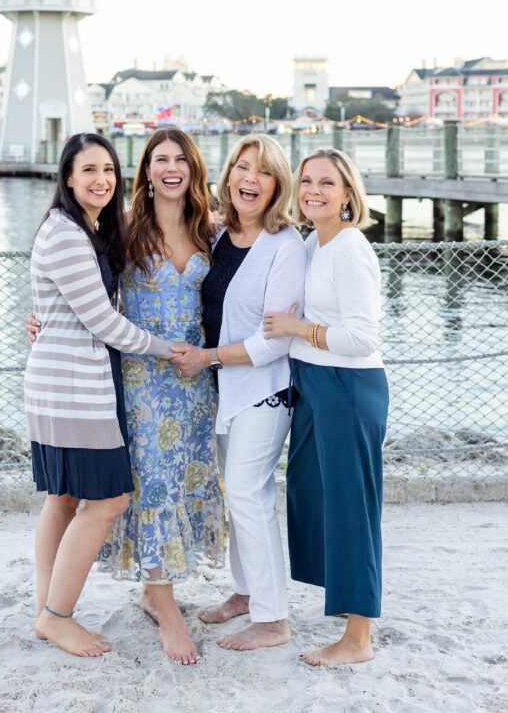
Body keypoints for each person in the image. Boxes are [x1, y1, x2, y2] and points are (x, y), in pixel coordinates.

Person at [26, 133, 175, 659]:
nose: (101, 180)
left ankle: (48, 609)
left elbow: (68, 307)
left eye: (109, 170)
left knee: (63, 497)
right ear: (67, 177)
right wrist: (167, 348)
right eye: (88, 170)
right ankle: (58, 617)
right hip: (72, 391)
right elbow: (102, 320)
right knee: (109, 499)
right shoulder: (66, 234)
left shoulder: (85, 227)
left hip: (62, 385)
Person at [173, 133, 306, 652]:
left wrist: (207, 357)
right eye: (242, 168)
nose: (250, 179)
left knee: (250, 494)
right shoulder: (218, 233)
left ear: (278, 185)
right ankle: (247, 592)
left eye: (264, 171)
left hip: (263, 391)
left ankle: (274, 620)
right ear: (228, 175)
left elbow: (273, 342)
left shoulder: (286, 246)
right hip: (224, 393)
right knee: (238, 494)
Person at [102, 128, 225, 665]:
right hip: (143, 379)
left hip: (195, 380)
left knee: (181, 480)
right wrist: (42, 320)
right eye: (160, 160)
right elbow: (85, 290)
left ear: (192, 169)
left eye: (181, 159)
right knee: (152, 482)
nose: (171, 167)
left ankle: (154, 593)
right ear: (146, 172)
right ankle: (169, 615)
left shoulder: (211, 231)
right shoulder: (124, 231)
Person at [263, 148, 389, 667]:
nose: (313, 190)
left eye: (326, 184)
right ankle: (344, 601)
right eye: (307, 181)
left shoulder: (351, 248)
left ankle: (358, 638)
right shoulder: (315, 241)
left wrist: (295, 328)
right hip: (314, 383)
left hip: (348, 387)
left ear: (347, 195)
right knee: (313, 499)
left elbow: (362, 337)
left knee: (351, 509)